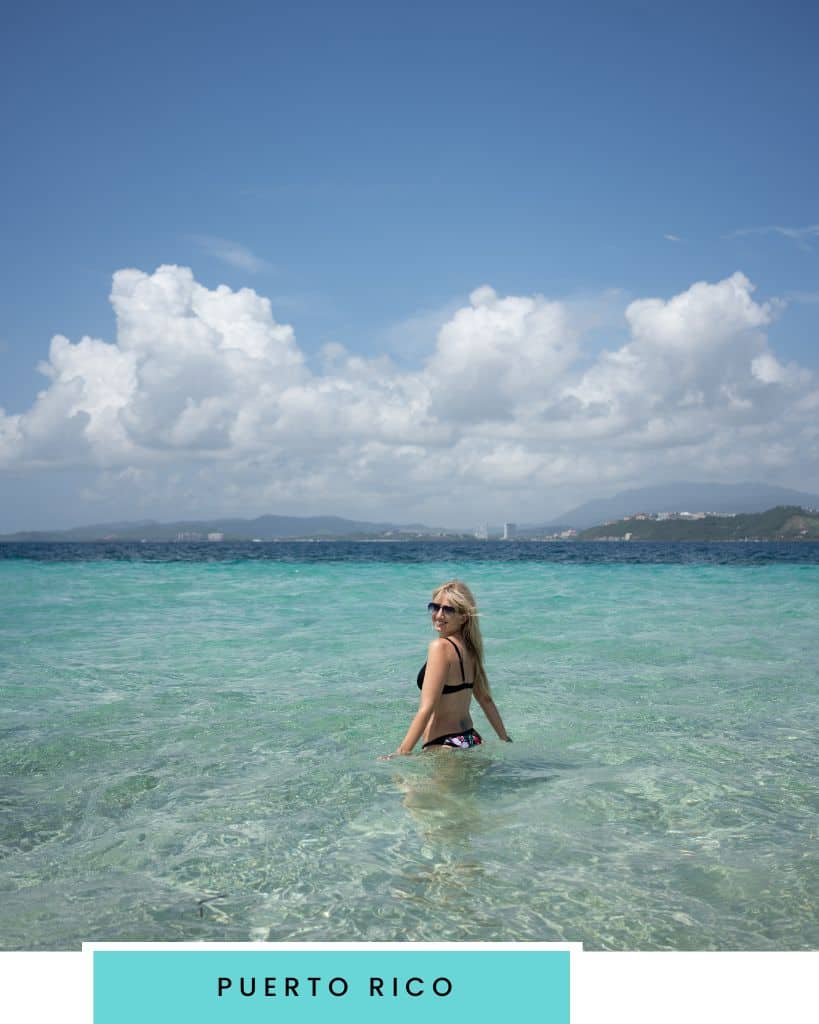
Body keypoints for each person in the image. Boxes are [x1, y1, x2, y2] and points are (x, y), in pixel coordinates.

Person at [383, 580, 511, 757]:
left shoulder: (440, 647)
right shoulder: (471, 649)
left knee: (399, 782)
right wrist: (505, 739)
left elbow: (427, 707)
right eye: (435, 607)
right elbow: (485, 699)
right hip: (471, 739)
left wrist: (401, 752)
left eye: (448, 610)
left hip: (445, 744)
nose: (439, 614)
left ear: (463, 617)